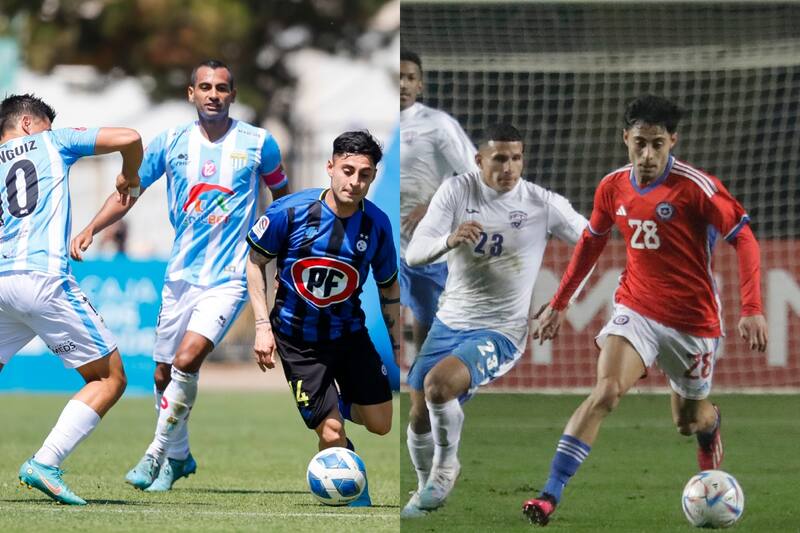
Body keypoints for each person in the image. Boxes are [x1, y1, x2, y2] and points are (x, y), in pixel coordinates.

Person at [522, 95, 768, 526]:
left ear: (673, 141)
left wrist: (752, 307)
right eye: (640, 143)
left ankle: (710, 424)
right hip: (636, 308)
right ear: (626, 139)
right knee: (606, 392)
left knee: (687, 422)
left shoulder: (697, 188)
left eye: (657, 144)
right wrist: (559, 303)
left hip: (693, 322)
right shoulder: (612, 186)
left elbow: (744, 238)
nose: (648, 154)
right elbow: (591, 242)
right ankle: (549, 495)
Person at [70, 59, 290, 492]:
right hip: (180, 276)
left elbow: (283, 199)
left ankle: (155, 454)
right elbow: (130, 192)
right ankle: (180, 456)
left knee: (188, 360)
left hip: (230, 276)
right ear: (191, 94)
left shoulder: (259, 143)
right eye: (205, 87)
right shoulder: (170, 142)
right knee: (162, 374)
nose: (213, 94)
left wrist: (284, 254)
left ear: (233, 94)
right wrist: (92, 227)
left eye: (222, 88)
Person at [401, 123, 589, 517]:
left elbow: (592, 242)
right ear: (479, 160)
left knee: (438, 386)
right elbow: (414, 253)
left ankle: (445, 468)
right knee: (418, 413)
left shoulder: (541, 203)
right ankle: (423, 489)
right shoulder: (457, 191)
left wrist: (562, 302)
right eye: (500, 158)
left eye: (516, 158)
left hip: (501, 329)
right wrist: (449, 240)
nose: (509, 167)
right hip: (450, 320)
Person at [0, 93, 141, 505]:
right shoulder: (53, 141)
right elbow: (130, 137)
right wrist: (129, 176)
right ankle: (45, 462)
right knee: (109, 379)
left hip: (3, 280)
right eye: (45, 124)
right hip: (43, 280)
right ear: (28, 124)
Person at [245, 130, 400, 507]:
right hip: (297, 340)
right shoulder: (289, 212)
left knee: (381, 424)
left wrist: (399, 347)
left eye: (364, 174)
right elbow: (254, 263)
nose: (355, 181)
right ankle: (350, 486)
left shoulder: (377, 226)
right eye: (347, 170)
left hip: (349, 335)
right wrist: (262, 327)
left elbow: (389, 288)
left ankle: (336, 401)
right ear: (330, 167)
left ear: (373, 177)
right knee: (331, 433)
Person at [400, 49, 479, 357]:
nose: (403, 84)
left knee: (430, 321)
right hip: (385, 238)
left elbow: (473, 174)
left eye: (410, 78)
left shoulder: (437, 124)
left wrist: (432, 205)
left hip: (426, 242)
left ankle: (424, 376)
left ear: (420, 85)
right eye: (398, 78)